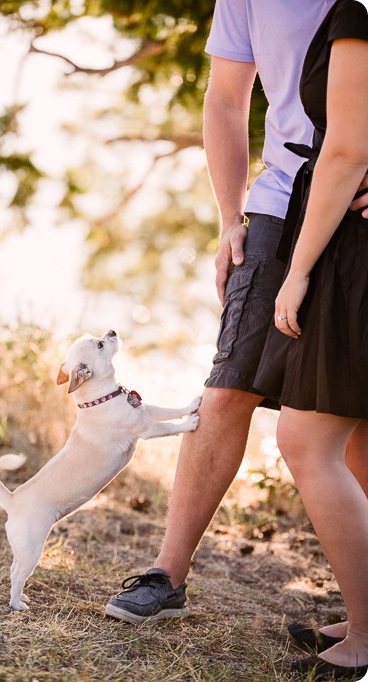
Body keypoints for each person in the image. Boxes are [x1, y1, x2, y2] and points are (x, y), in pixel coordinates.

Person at [105, 0, 368, 656]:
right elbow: (225, 99)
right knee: (225, 390)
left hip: (349, 207)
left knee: (354, 424)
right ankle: (167, 575)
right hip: (279, 206)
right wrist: (231, 218)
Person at [251, 0, 368, 677]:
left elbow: (347, 148)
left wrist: (295, 272)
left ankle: (365, 640)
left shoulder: (356, 10)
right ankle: (361, 616)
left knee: (305, 440)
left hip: (351, 252)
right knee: (357, 442)